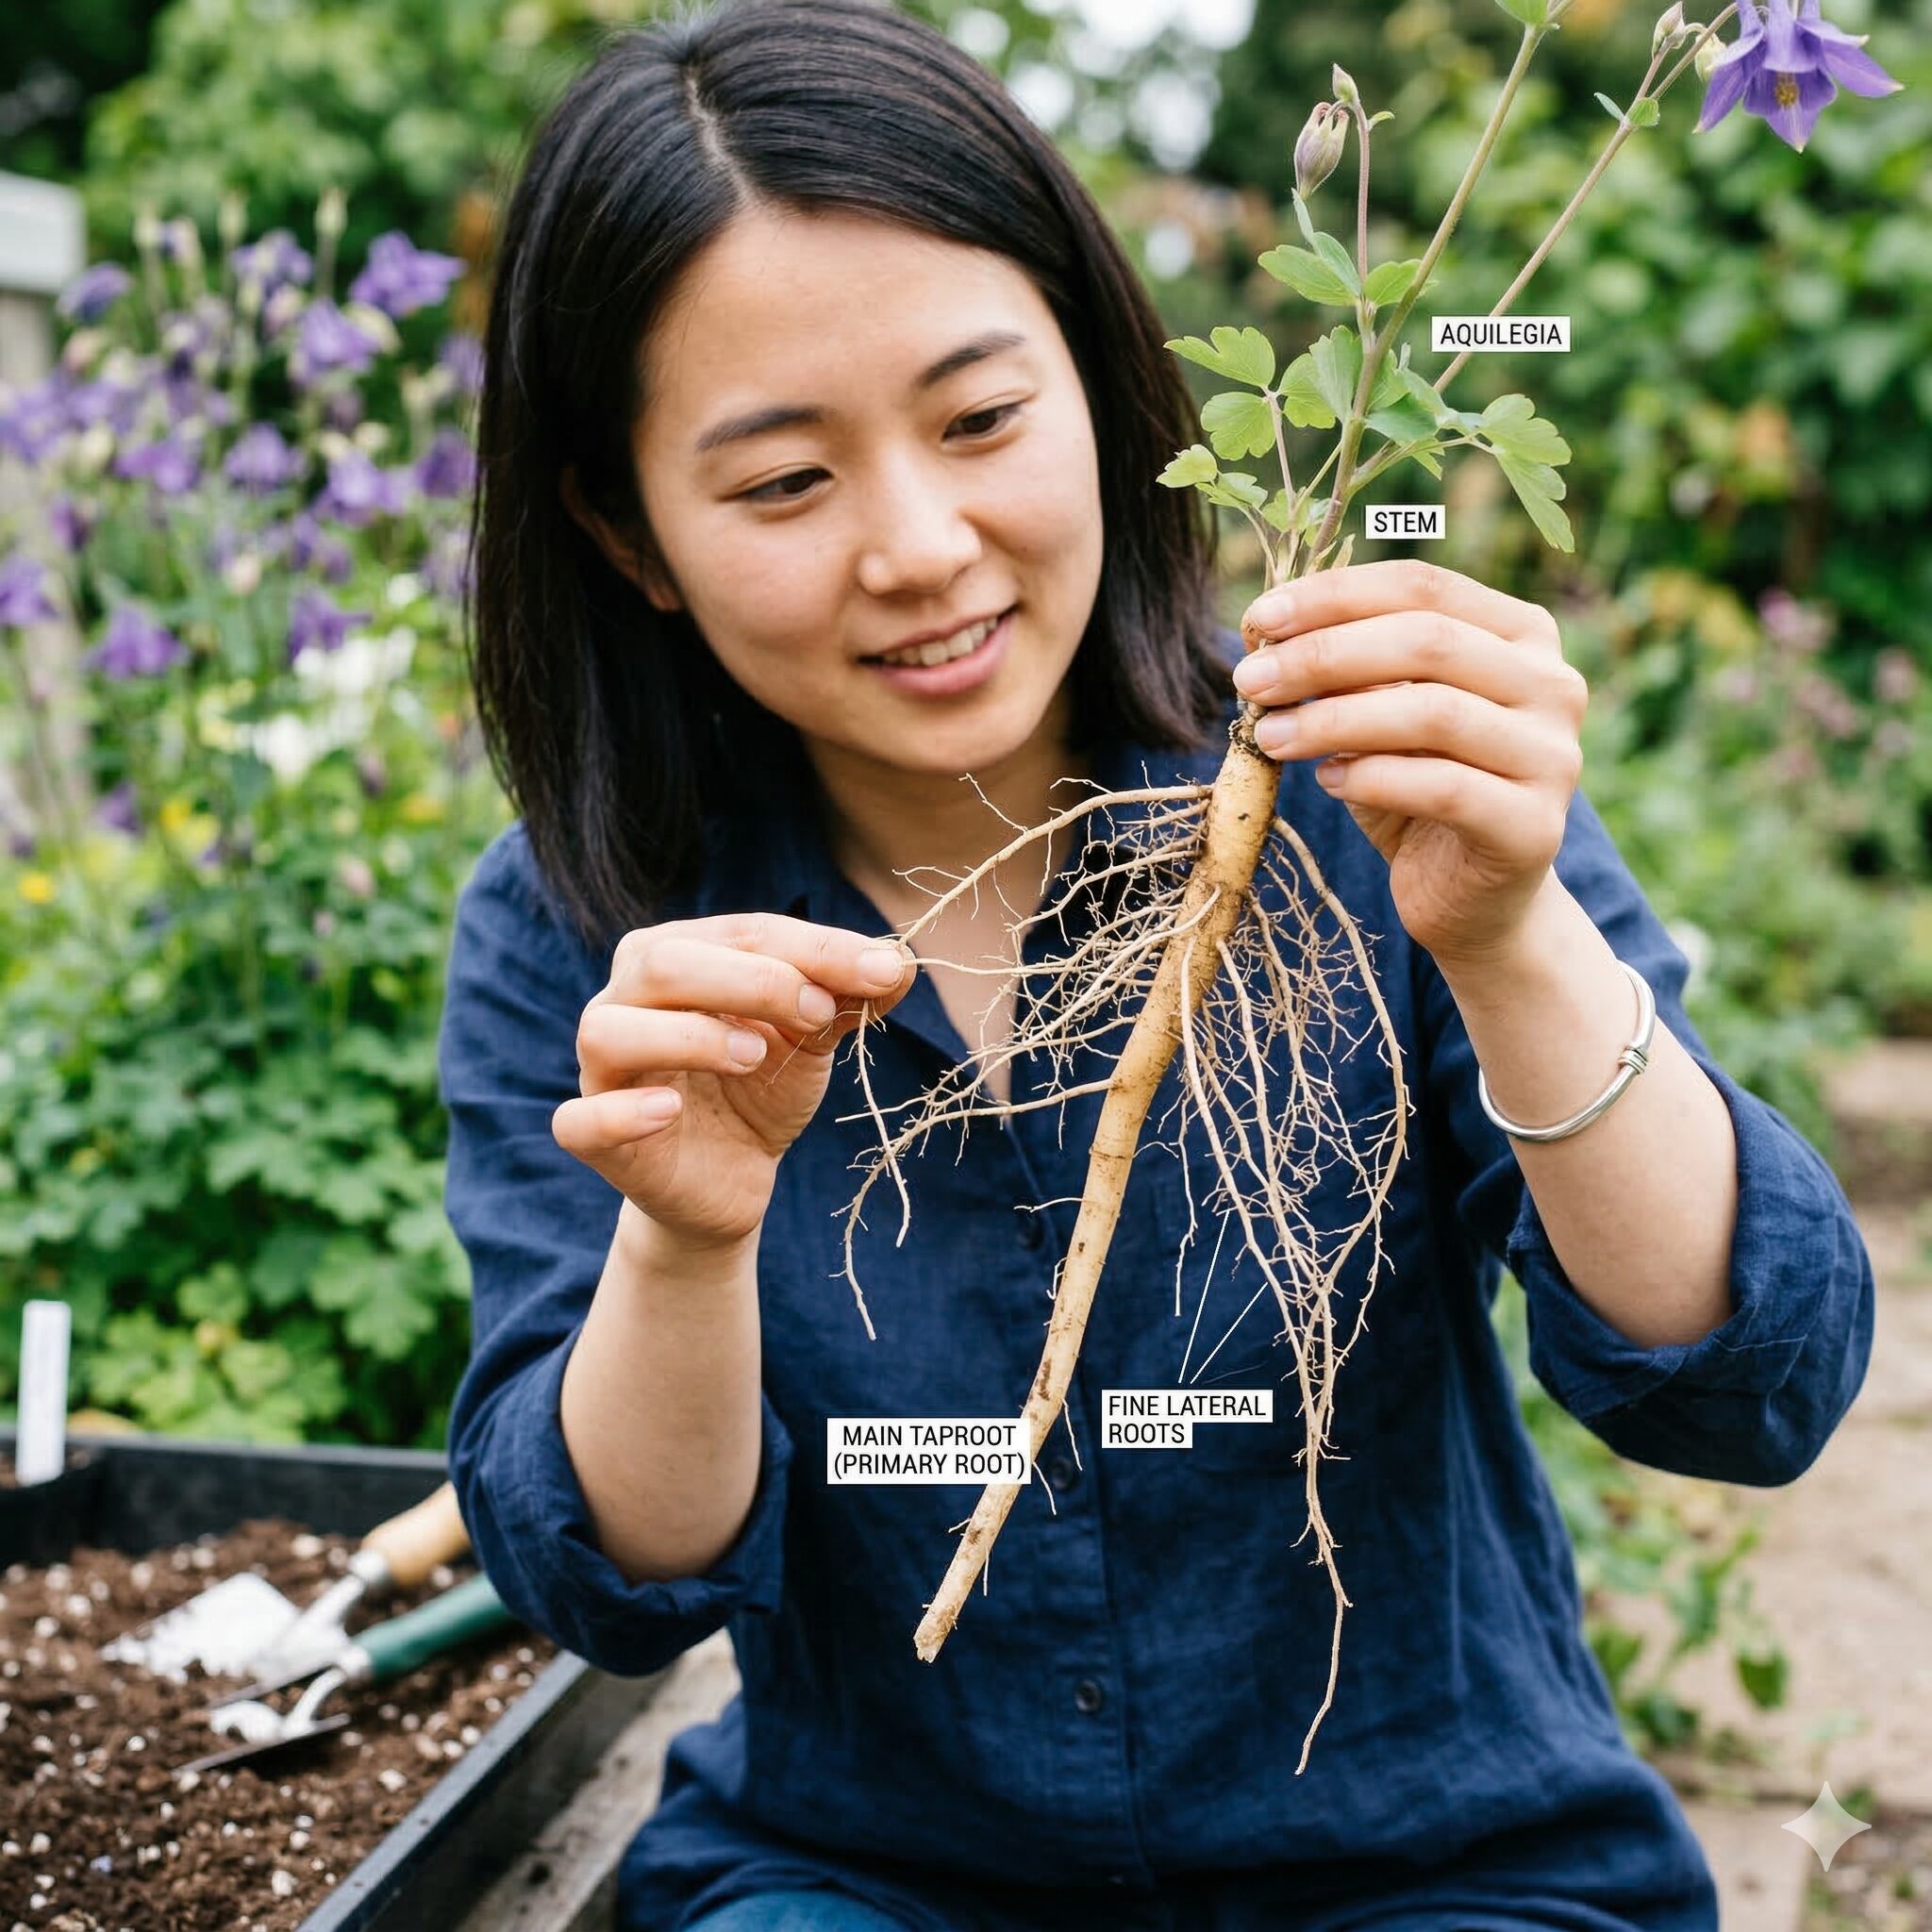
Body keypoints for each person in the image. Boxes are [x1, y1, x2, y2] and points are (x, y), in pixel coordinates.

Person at [437, 3, 1875, 1927]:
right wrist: (684, 1243)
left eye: (980, 419)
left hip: (1439, 1876)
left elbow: (1747, 1386)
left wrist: (1511, 936)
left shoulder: (1377, 790)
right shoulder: (579, 931)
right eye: (785, 484)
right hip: (872, 1881)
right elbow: (612, 1577)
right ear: (627, 534)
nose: (923, 546)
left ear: (1099, 383)